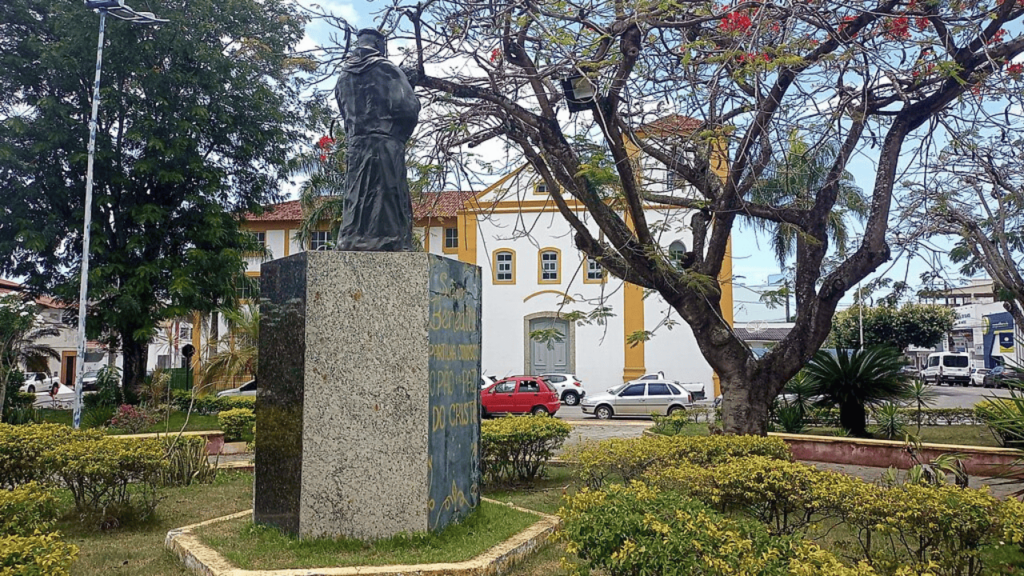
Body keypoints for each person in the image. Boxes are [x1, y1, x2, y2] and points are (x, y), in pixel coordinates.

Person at [333, 29, 421, 252]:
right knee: (387, 196)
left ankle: (352, 238)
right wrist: (410, 85)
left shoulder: (343, 76)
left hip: (356, 145)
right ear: (379, 44)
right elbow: (407, 108)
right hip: (385, 142)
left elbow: (345, 112)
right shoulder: (386, 68)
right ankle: (390, 240)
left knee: (357, 195)